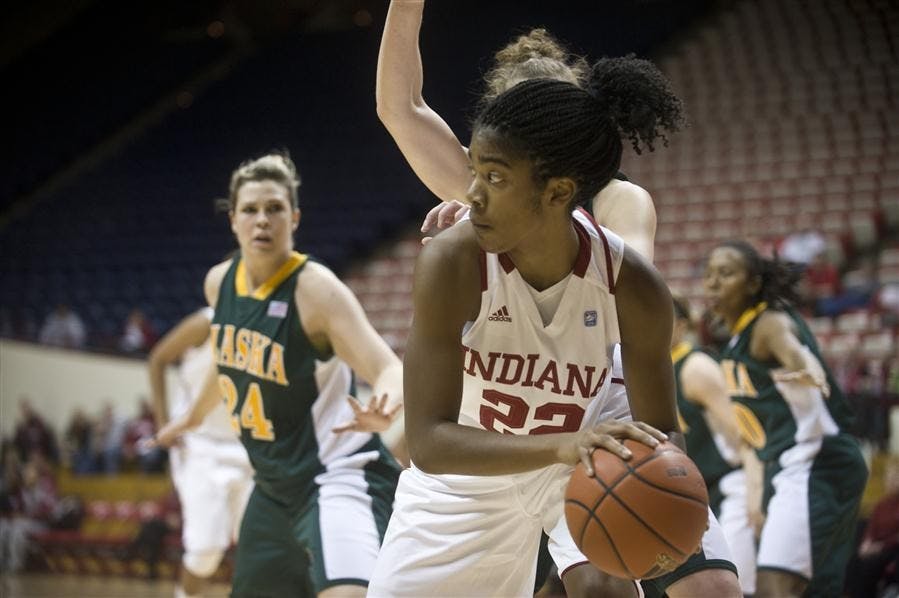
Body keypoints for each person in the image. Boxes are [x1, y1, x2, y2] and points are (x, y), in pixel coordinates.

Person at [375, 3, 740, 596]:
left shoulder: (619, 207)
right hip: (489, 430)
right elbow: (401, 107)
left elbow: (624, 296)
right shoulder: (483, 203)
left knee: (659, 583)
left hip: (596, 409)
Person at [152, 153, 404, 597]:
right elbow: (229, 362)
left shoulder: (317, 290)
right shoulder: (219, 283)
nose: (262, 220)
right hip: (271, 486)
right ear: (233, 220)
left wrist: (385, 404)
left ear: (295, 217)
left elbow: (388, 367)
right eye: (250, 210)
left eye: (275, 208)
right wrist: (192, 417)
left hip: (334, 476)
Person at [703, 239, 868, 597]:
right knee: (810, 588)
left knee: (774, 586)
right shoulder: (733, 342)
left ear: (752, 284)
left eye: (726, 273)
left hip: (816, 459)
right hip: (785, 464)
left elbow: (793, 351)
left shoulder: (768, 324)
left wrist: (808, 368)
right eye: (709, 274)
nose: (713, 283)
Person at [147, 307, 254, 598]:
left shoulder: (268, 322)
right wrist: (162, 420)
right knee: (205, 550)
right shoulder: (205, 322)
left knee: (260, 549)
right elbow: (158, 359)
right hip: (200, 444)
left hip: (250, 444)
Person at [671, 295, 761, 596]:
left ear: (681, 325)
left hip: (727, 486)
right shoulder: (643, 369)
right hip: (689, 496)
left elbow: (745, 436)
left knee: (733, 587)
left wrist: (756, 494)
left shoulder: (695, 366)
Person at [847, 457, 899, 598]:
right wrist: (866, 544)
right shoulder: (881, 504)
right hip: (875, 546)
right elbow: (871, 528)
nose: (890, 481)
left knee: (871, 564)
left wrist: (881, 545)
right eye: (888, 477)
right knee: (854, 560)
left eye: (894, 477)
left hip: (891, 548)